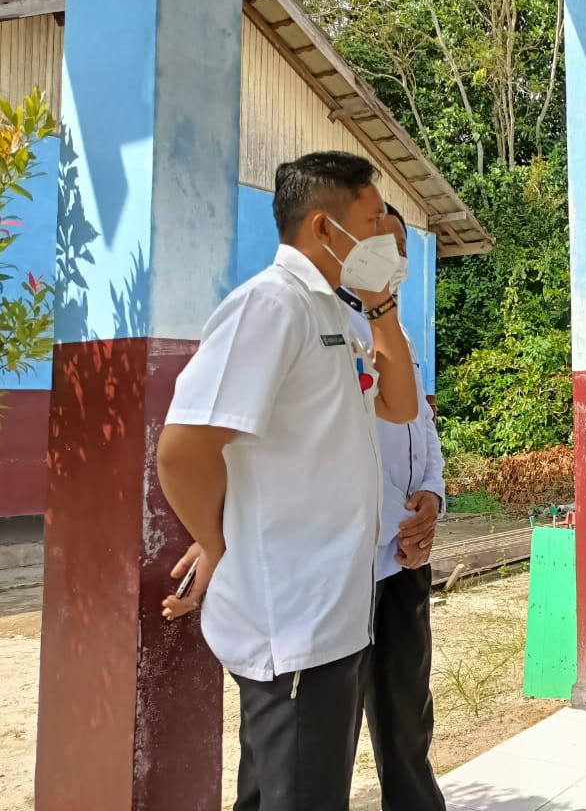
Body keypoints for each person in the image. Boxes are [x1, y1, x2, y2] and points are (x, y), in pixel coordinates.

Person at [156, 151, 420, 811]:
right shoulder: (270, 307)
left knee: (283, 792)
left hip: (332, 610)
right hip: (295, 619)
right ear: (327, 229)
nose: (387, 231)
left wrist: (382, 303)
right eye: (374, 216)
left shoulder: (334, 312)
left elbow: (399, 405)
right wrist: (214, 542)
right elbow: (185, 446)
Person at [337, 203, 447, 811]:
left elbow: (420, 433)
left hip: (404, 559)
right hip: (349, 565)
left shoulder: (395, 332)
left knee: (406, 711)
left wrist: (431, 497)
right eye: (379, 241)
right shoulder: (321, 323)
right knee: (330, 725)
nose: (393, 257)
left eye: (401, 246)